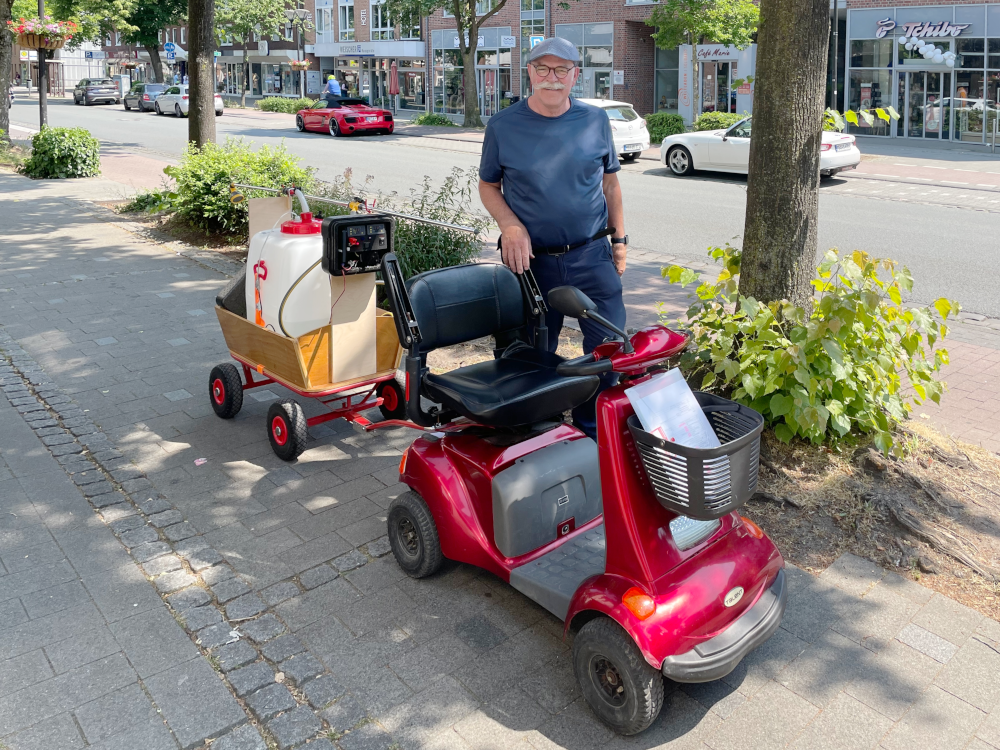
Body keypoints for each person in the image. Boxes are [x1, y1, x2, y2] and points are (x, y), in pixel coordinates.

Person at [478, 37, 627, 440]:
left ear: (575, 75)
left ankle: (594, 436)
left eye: (562, 70)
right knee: (533, 351)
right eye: (543, 68)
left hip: (591, 255)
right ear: (529, 72)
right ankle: (534, 433)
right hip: (533, 263)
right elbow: (488, 186)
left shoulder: (595, 121)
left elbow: (611, 186)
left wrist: (620, 241)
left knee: (609, 349)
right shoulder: (503, 126)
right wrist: (511, 225)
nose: (552, 78)